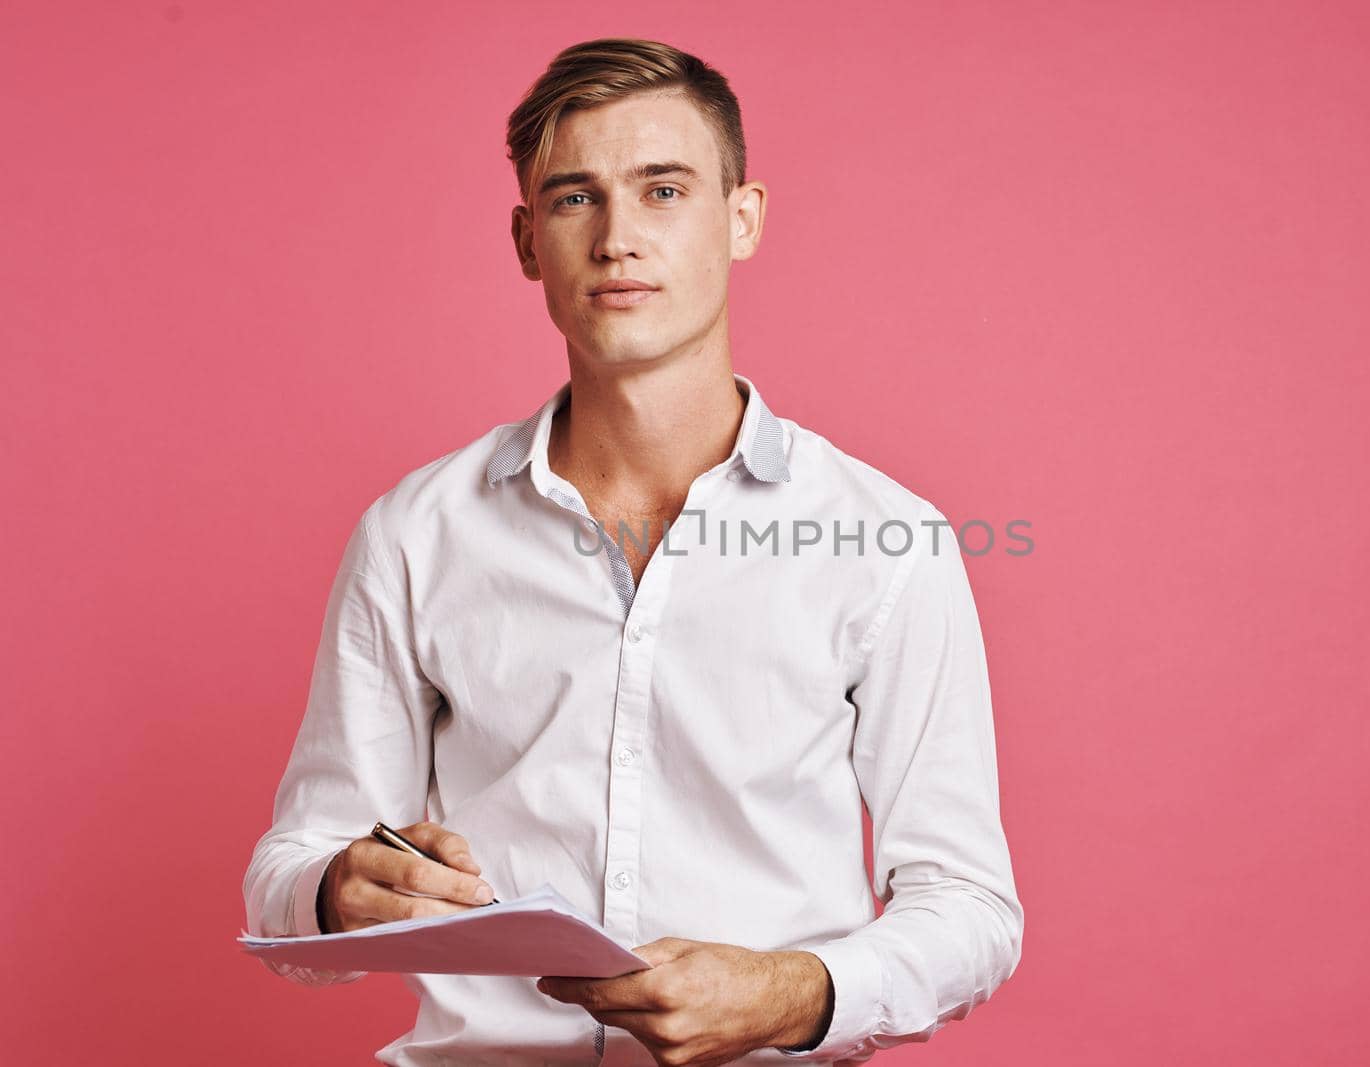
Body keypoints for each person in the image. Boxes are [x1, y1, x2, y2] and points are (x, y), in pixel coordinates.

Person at [242, 37, 1023, 1067]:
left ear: (741, 220)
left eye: (662, 190)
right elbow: (288, 883)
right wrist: (336, 890)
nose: (617, 237)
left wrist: (794, 991)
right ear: (528, 242)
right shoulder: (414, 532)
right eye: (575, 199)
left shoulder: (889, 542)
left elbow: (969, 907)